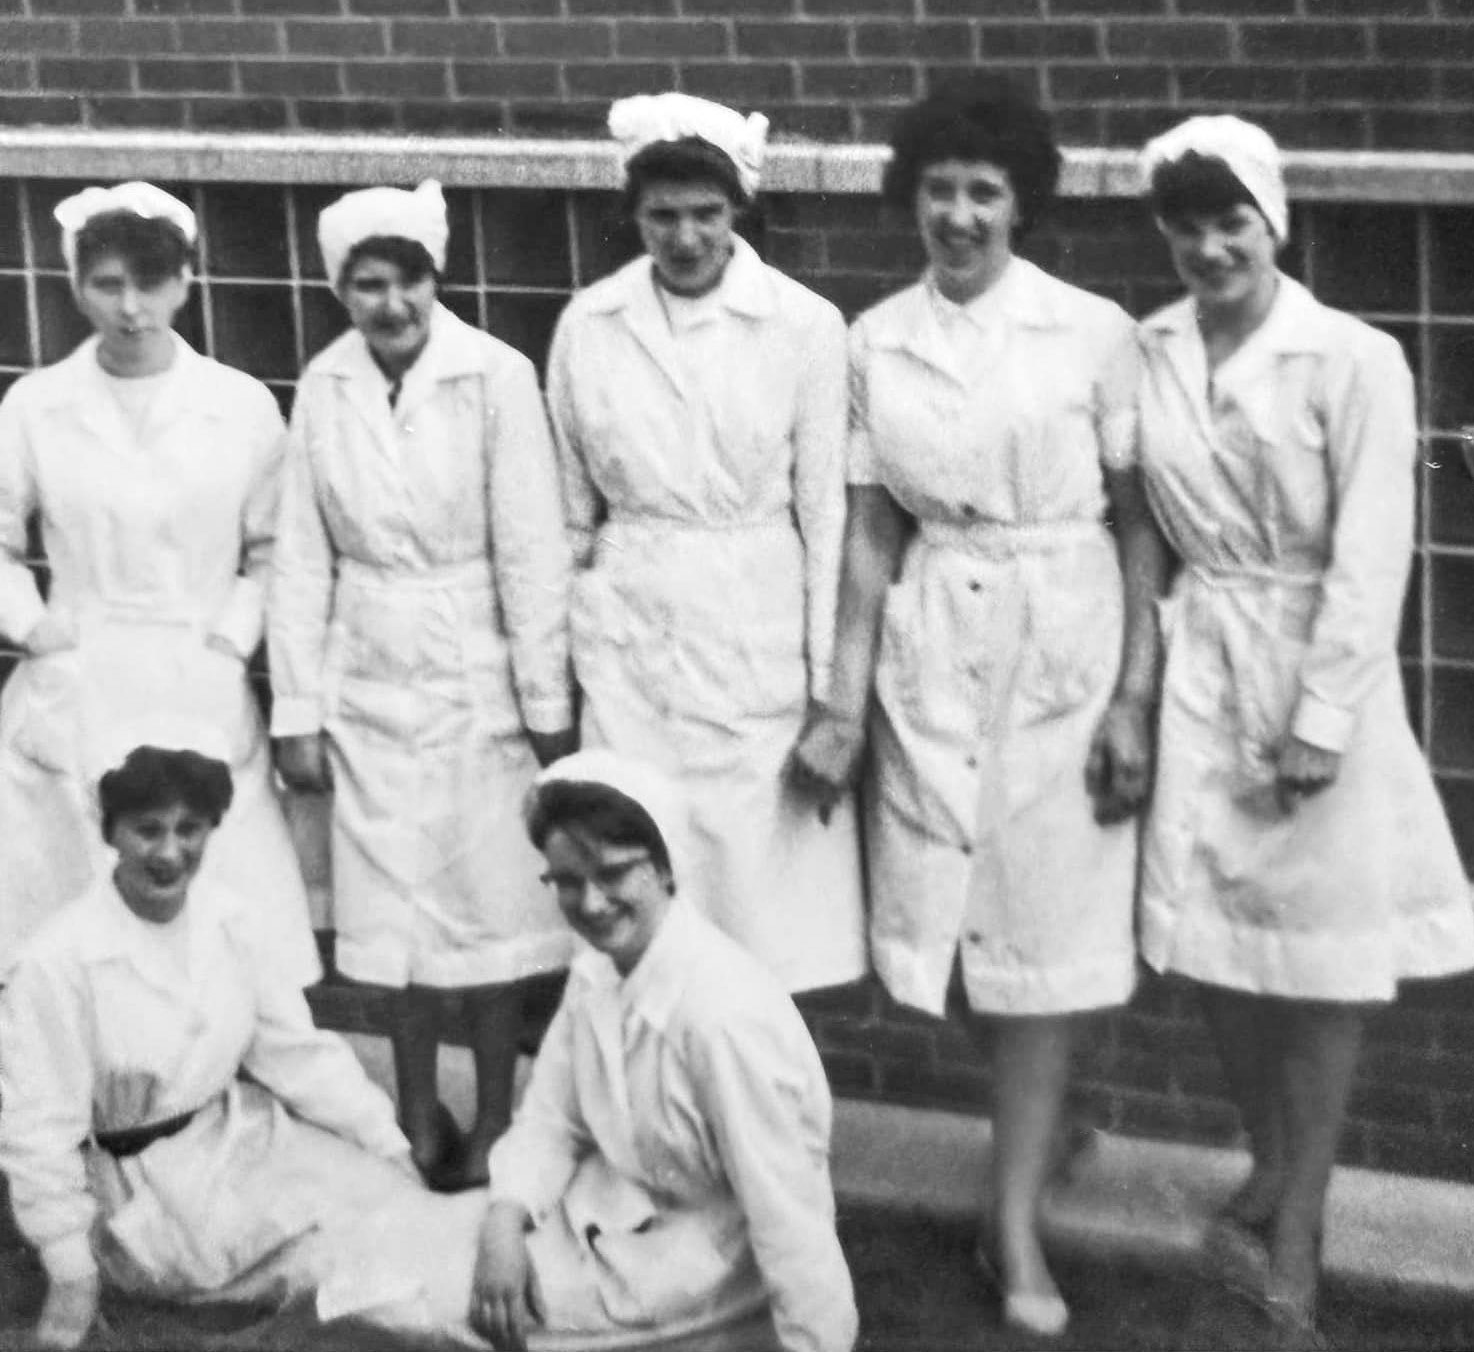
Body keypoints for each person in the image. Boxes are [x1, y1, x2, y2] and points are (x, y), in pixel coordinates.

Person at [789, 76, 1165, 1338]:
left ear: (1022, 205)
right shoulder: (871, 339)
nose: (959, 215)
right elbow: (865, 529)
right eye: (939, 190)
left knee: (1043, 938)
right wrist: (843, 699)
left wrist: (1131, 700)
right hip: (930, 649)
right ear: (913, 199)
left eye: (983, 192)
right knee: (947, 931)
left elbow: (1140, 526)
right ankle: (1047, 1127)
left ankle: (1009, 1223)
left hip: (1061, 635)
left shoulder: (1092, 331)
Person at [1135, 115, 1474, 1342]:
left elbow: (1369, 550)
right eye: (1185, 226)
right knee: (1219, 941)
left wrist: (1321, 716)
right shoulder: (1150, 350)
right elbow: (1144, 520)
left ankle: (1299, 1220)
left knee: (1321, 959)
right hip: (1202, 665)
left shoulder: (1352, 358)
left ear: (1270, 223)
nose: (1207, 247)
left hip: (1313, 674)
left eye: (1230, 222)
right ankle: (1268, 1159)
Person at [268, 180, 576, 1190]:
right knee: (394, 916)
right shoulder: (323, 384)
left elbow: (532, 549)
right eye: (366, 285)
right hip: (366, 672)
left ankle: (494, 1114)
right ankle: (411, 1105)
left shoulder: (495, 375)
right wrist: (297, 707)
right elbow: (302, 555)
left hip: (473, 667)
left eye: (404, 282)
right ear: (341, 291)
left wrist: (543, 709)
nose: (388, 304)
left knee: (485, 912)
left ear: (434, 280)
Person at [545, 92, 865, 995]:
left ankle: (767, 1124)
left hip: (754, 634)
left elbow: (827, 518)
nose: (686, 237)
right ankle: (651, 1124)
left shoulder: (803, 326)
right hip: (631, 645)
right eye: (663, 216)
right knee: (634, 895)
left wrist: (825, 694)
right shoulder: (590, 325)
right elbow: (572, 516)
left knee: (760, 917)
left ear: (739, 211)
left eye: (706, 215)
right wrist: (559, 668)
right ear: (633, 216)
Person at [0, 740, 442, 1351]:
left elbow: (299, 1054)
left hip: (239, 1138)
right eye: (147, 831)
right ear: (110, 833)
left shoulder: (231, 921)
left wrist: (385, 1140)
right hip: (137, 1190)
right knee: (367, 1271)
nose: (169, 852)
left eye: (190, 830)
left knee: (403, 1210)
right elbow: (37, 1129)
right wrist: (69, 1273)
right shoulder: (58, 960)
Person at [0, 182, 319, 987]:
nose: (131, 307)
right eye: (107, 284)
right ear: (76, 286)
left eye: (150, 283)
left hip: (197, 670)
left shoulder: (241, 405)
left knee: (219, 905)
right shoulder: (36, 406)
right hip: (80, 667)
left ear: (184, 283)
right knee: (68, 909)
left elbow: (275, 549)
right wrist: (34, 627)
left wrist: (229, 642)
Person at [468, 748, 859, 1352]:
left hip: (717, 1265)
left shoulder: (721, 1018)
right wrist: (505, 1216)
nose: (591, 903)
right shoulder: (595, 972)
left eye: (615, 873)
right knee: (459, 1276)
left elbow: (790, 1222)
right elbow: (551, 1119)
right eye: (567, 881)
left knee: (463, 1312)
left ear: (668, 868)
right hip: (622, 1218)